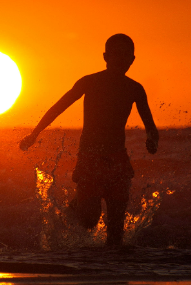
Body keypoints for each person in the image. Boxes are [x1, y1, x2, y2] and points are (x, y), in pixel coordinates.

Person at [19, 34, 159, 246]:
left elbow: (151, 126)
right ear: (105, 56)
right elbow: (58, 107)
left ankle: (112, 273)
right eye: (116, 54)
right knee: (90, 219)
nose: (121, 59)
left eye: (126, 55)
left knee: (115, 232)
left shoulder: (135, 89)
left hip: (118, 161)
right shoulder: (90, 82)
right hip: (90, 157)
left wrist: (152, 140)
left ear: (132, 59)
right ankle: (70, 212)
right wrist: (35, 133)